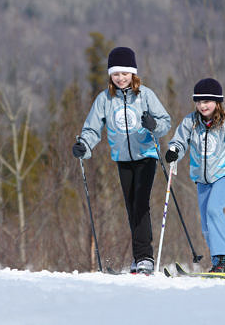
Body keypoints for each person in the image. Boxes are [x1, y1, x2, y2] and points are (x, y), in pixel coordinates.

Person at [72, 47, 171, 274]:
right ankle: (139, 259)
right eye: (116, 74)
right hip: (122, 159)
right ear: (111, 75)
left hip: (146, 155)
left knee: (140, 203)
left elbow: (165, 121)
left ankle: (145, 257)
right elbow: (92, 129)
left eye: (125, 73)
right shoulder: (105, 99)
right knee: (130, 206)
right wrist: (83, 146)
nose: (121, 78)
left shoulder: (145, 95)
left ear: (133, 74)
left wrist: (153, 126)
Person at [165, 78, 225, 274]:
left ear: (217, 102)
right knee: (206, 223)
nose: (202, 106)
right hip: (202, 180)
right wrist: (174, 150)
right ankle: (218, 261)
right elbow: (180, 141)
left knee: (213, 210)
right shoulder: (191, 122)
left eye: (207, 102)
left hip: (223, 175)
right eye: (199, 102)